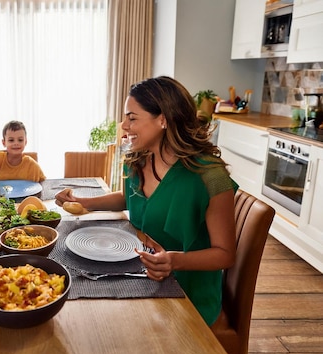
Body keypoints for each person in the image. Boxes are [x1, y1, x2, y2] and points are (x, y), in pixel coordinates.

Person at [55, 76, 238, 326]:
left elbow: (225, 255)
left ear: (162, 119)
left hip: (187, 293)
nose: (124, 125)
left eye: (132, 118)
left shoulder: (211, 177)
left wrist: (174, 260)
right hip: (141, 275)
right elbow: (129, 198)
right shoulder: (141, 160)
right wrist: (84, 202)